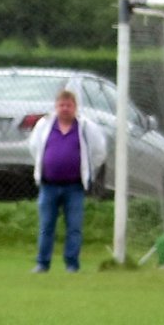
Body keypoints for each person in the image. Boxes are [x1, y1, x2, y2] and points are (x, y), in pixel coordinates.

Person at [27, 89, 107, 274]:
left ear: (75, 107)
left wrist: (86, 169)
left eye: (69, 105)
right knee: (46, 225)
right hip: (49, 185)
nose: (65, 109)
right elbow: (34, 147)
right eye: (61, 105)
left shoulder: (86, 127)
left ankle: (72, 265)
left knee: (74, 227)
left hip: (74, 187)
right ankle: (42, 263)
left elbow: (99, 151)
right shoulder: (45, 125)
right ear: (56, 106)